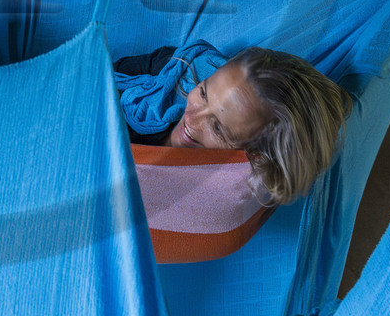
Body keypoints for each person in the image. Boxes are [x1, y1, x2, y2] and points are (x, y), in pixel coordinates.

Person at [114, 41, 351, 206]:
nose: (192, 118)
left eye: (217, 128)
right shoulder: (182, 69)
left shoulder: (214, 193)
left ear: (255, 155)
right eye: (204, 93)